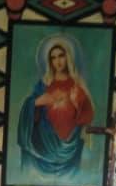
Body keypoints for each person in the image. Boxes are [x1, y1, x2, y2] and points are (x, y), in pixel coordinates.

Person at [16, 37, 95, 177]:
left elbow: (87, 115)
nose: (57, 61)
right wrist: (37, 102)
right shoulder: (44, 83)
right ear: (49, 61)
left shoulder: (76, 85)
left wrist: (76, 103)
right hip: (42, 143)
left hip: (69, 144)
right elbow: (31, 107)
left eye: (61, 56)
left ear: (68, 57)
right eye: (53, 58)